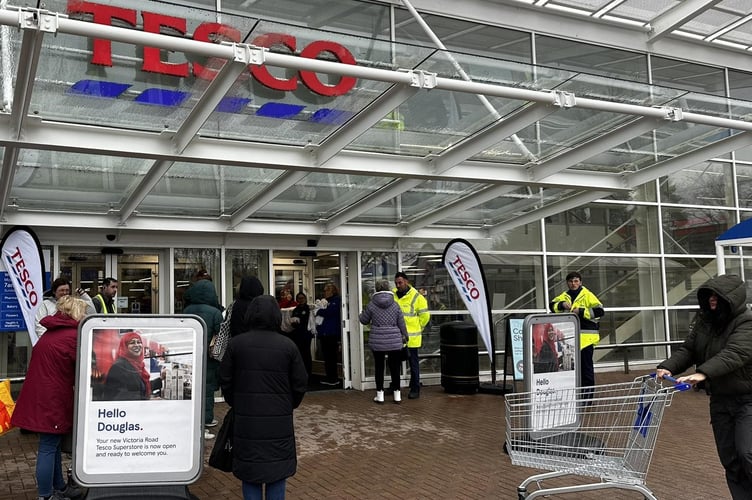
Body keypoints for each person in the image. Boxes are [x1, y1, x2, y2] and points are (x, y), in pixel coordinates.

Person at [656, 274, 752, 500]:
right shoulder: (705, 322)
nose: (712, 299)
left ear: (731, 298)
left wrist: (702, 373)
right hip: (720, 400)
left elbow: (735, 354)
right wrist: (667, 367)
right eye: (709, 295)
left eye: (717, 295)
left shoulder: (747, 322)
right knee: (730, 458)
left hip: (747, 399)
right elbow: (688, 349)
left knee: (747, 453)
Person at [219, 295, 308, 500]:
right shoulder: (288, 346)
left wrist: (236, 401)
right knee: (277, 473)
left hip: (246, 419)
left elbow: (225, 379)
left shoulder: (236, 345)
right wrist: (288, 404)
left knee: (250, 474)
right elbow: (300, 383)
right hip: (279, 420)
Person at [11, 295, 88, 500]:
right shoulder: (73, 336)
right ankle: (46, 495)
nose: (85, 317)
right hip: (52, 398)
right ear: (75, 313)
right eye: (83, 312)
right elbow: (86, 365)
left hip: (42, 395)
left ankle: (59, 487)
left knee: (52, 445)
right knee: (48, 446)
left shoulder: (51, 333)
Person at [183, 277, 224, 439]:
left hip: (190, 356)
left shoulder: (187, 310)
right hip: (209, 358)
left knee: (191, 388)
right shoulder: (215, 312)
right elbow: (220, 335)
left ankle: (193, 419)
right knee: (207, 389)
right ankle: (206, 420)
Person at [549, 271, 604, 388]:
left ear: (580, 282)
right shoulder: (564, 296)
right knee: (570, 369)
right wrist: (561, 305)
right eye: (570, 281)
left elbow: (600, 311)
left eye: (576, 281)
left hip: (586, 340)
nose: (573, 284)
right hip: (569, 341)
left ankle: (587, 399)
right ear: (567, 283)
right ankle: (575, 397)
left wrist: (582, 311)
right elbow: (551, 305)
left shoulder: (587, 295)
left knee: (586, 369)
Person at [359, 280, 408, 404]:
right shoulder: (395, 304)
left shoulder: (371, 305)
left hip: (378, 340)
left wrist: (361, 314)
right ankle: (397, 395)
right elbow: (401, 322)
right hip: (394, 340)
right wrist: (405, 335)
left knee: (379, 367)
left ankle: (380, 395)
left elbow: (364, 320)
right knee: (395, 368)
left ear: (376, 289)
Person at [393, 272, 430, 399]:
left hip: (412, 338)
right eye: (396, 283)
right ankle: (395, 385)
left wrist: (419, 327)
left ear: (406, 282)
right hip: (396, 337)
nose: (398, 285)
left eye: (400, 282)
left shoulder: (417, 297)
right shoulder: (393, 295)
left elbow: (425, 316)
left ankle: (415, 388)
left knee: (413, 364)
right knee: (394, 363)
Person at [102, 332, 151, 401]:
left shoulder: (137, 365)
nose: (137, 345)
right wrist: (146, 400)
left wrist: (160, 380)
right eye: (132, 343)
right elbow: (121, 396)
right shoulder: (119, 366)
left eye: (139, 342)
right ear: (125, 346)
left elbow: (139, 386)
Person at [315, 282, 342, 386]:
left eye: (327, 290)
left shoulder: (336, 301)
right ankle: (329, 376)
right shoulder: (326, 301)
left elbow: (330, 312)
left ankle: (333, 378)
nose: (325, 292)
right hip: (324, 332)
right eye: (324, 290)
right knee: (326, 356)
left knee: (331, 356)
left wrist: (319, 311)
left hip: (331, 333)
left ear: (333, 291)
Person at [289, 293, 313, 381]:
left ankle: (309, 374)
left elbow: (309, 321)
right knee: (299, 355)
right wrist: (294, 323)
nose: (301, 300)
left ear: (305, 298)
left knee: (306, 354)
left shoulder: (308, 309)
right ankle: (300, 374)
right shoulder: (296, 310)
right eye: (299, 298)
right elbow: (293, 320)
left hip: (306, 335)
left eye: (302, 298)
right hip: (297, 335)